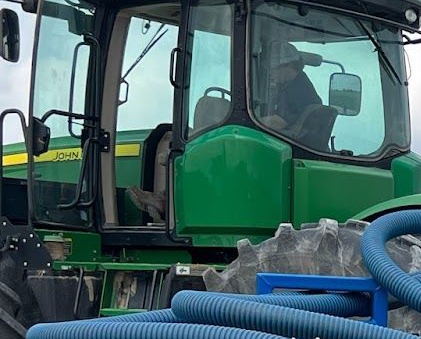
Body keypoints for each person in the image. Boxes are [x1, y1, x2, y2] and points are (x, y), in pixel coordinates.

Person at [126, 42, 321, 221]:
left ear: (287, 66)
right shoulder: (294, 86)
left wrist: (247, 122)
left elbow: (278, 122)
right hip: (284, 146)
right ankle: (166, 198)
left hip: (279, 148)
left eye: (274, 69)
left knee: (210, 152)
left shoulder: (297, 90)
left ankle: (167, 201)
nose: (271, 73)